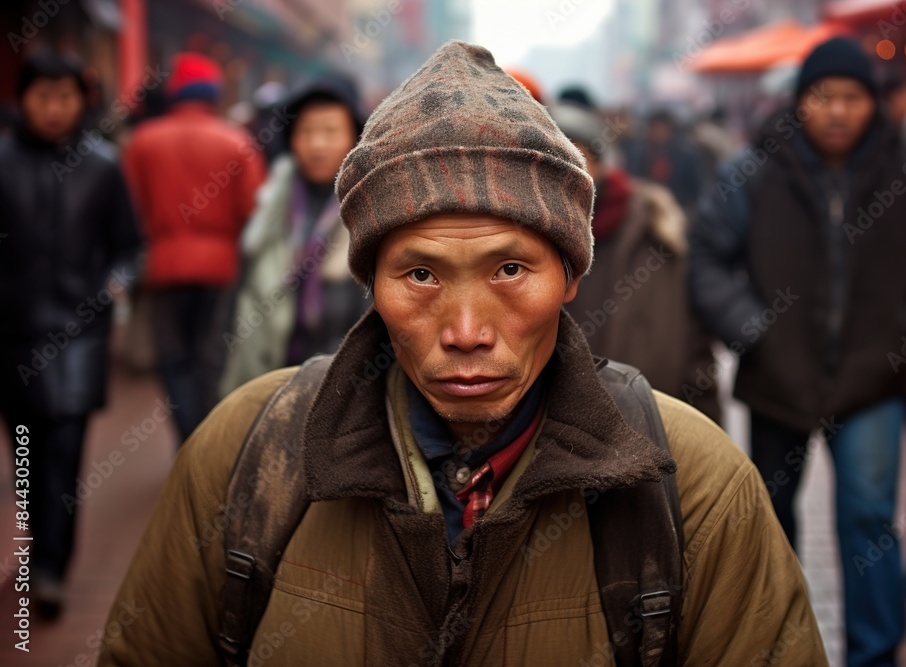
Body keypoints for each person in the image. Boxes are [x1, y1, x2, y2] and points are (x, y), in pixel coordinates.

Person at [98, 41, 826, 666]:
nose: (468, 329)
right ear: (372, 284)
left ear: (571, 276)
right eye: (421, 275)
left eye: (510, 270)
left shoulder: (697, 486)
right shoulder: (247, 457)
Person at [688, 37, 906, 667]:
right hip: (777, 377)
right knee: (767, 524)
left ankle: (874, 655)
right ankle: (773, 649)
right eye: (824, 97)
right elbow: (707, 255)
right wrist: (752, 329)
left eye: (852, 97)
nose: (839, 111)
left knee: (870, 521)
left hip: (873, 378)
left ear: (872, 104)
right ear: (800, 104)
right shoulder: (754, 173)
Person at [0, 51, 140, 618]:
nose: (54, 109)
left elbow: (130, 245)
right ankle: (39, 545)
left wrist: (116, 282)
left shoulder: (104, 166)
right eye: (43, 96)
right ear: (23, 99)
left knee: (66, 452)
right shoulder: (2, 162)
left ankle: (53, 569)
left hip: (79, 334)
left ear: (81, 101)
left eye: (65, 97)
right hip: (11, 335)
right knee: (28, 455)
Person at [123, 52, 266, 442]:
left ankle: (188, 439)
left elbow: (129, 211)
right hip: (222, 268)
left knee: (173, 359)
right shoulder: (237, 142)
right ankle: (208, 442)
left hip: (164, 265)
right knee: (211, 358)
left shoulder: (142, 142)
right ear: (213, 93)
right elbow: (254, 211)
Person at [551, 102, 721, 423]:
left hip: (654, 425)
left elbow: (695, 348)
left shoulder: (655, 233)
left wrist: (708, 434)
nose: (566, 172)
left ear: (600, 163)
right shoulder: (522, 249)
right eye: (550, 161)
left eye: (577, 156)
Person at [219, 73, 368, 397]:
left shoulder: (371, 208)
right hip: (272, 377)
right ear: (291, 139)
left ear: (354, 136)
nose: (317, 144)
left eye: (330, 132)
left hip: (344, 383)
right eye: (307, 132)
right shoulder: (272, 204)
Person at [630, 108, 710, 214]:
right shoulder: (639, 153)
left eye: (662, 128)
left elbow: (696, 188)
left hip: (679, 208)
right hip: (649, 209)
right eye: (655, 128)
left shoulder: (686, 154)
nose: (659, 132)